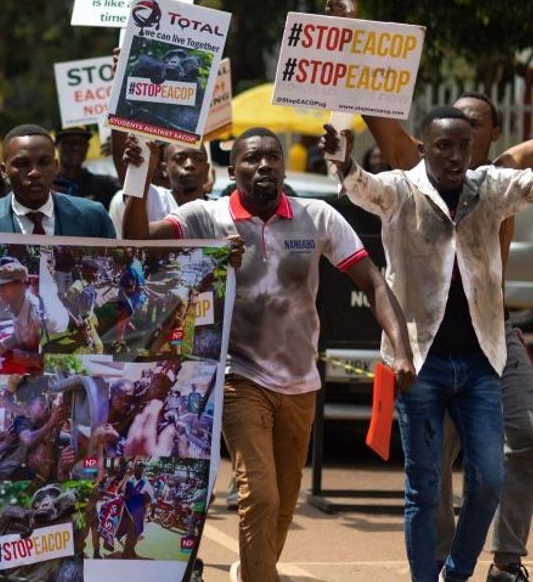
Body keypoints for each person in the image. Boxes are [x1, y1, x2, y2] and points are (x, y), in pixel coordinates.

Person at [332, 0, 533, 582]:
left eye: (476, 132)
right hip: (423, 351)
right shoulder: (407, 174)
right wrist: (352, 29)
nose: (464, 145)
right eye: (451, 138)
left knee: (512, 453)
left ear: (489, 136)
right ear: (430, 141)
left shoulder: (503, 177)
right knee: (430, 480)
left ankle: (504, 561)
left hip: (491, 343)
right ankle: (433, 567)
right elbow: (371, 119)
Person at [120, 128, 414, 582]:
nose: (264, 166)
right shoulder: (206, 216)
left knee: (282, 501)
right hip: (240, 377)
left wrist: (402, 348)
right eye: (252, 159)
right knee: (260, 494)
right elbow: (137, 239)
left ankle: (253, 570)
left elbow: (373, 282)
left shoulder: (316, 216)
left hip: (301, 382)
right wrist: (137, 176)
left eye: (273, 158)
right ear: (232, 170)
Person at [0, 124, 115, 238]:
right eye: (22, 164)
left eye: (44, 163)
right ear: (4, 171)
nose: (34, 172)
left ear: (55, 166)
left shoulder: (93, 217)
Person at [0, 261, 68, 374]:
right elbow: (19, 336)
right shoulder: (15, 304)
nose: (0, 291)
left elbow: (48, 360)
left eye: (5, 286)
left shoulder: (39, 315)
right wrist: (3, 344)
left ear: (21, 286)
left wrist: (12, 354)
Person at [52, 125, 119, 206]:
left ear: (87, 146)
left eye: (81, 143)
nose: (76, 148)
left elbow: (129, 195)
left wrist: (120, 153)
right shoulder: (47, 187)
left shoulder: (103, 185)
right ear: (56, 145)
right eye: (70, 143)